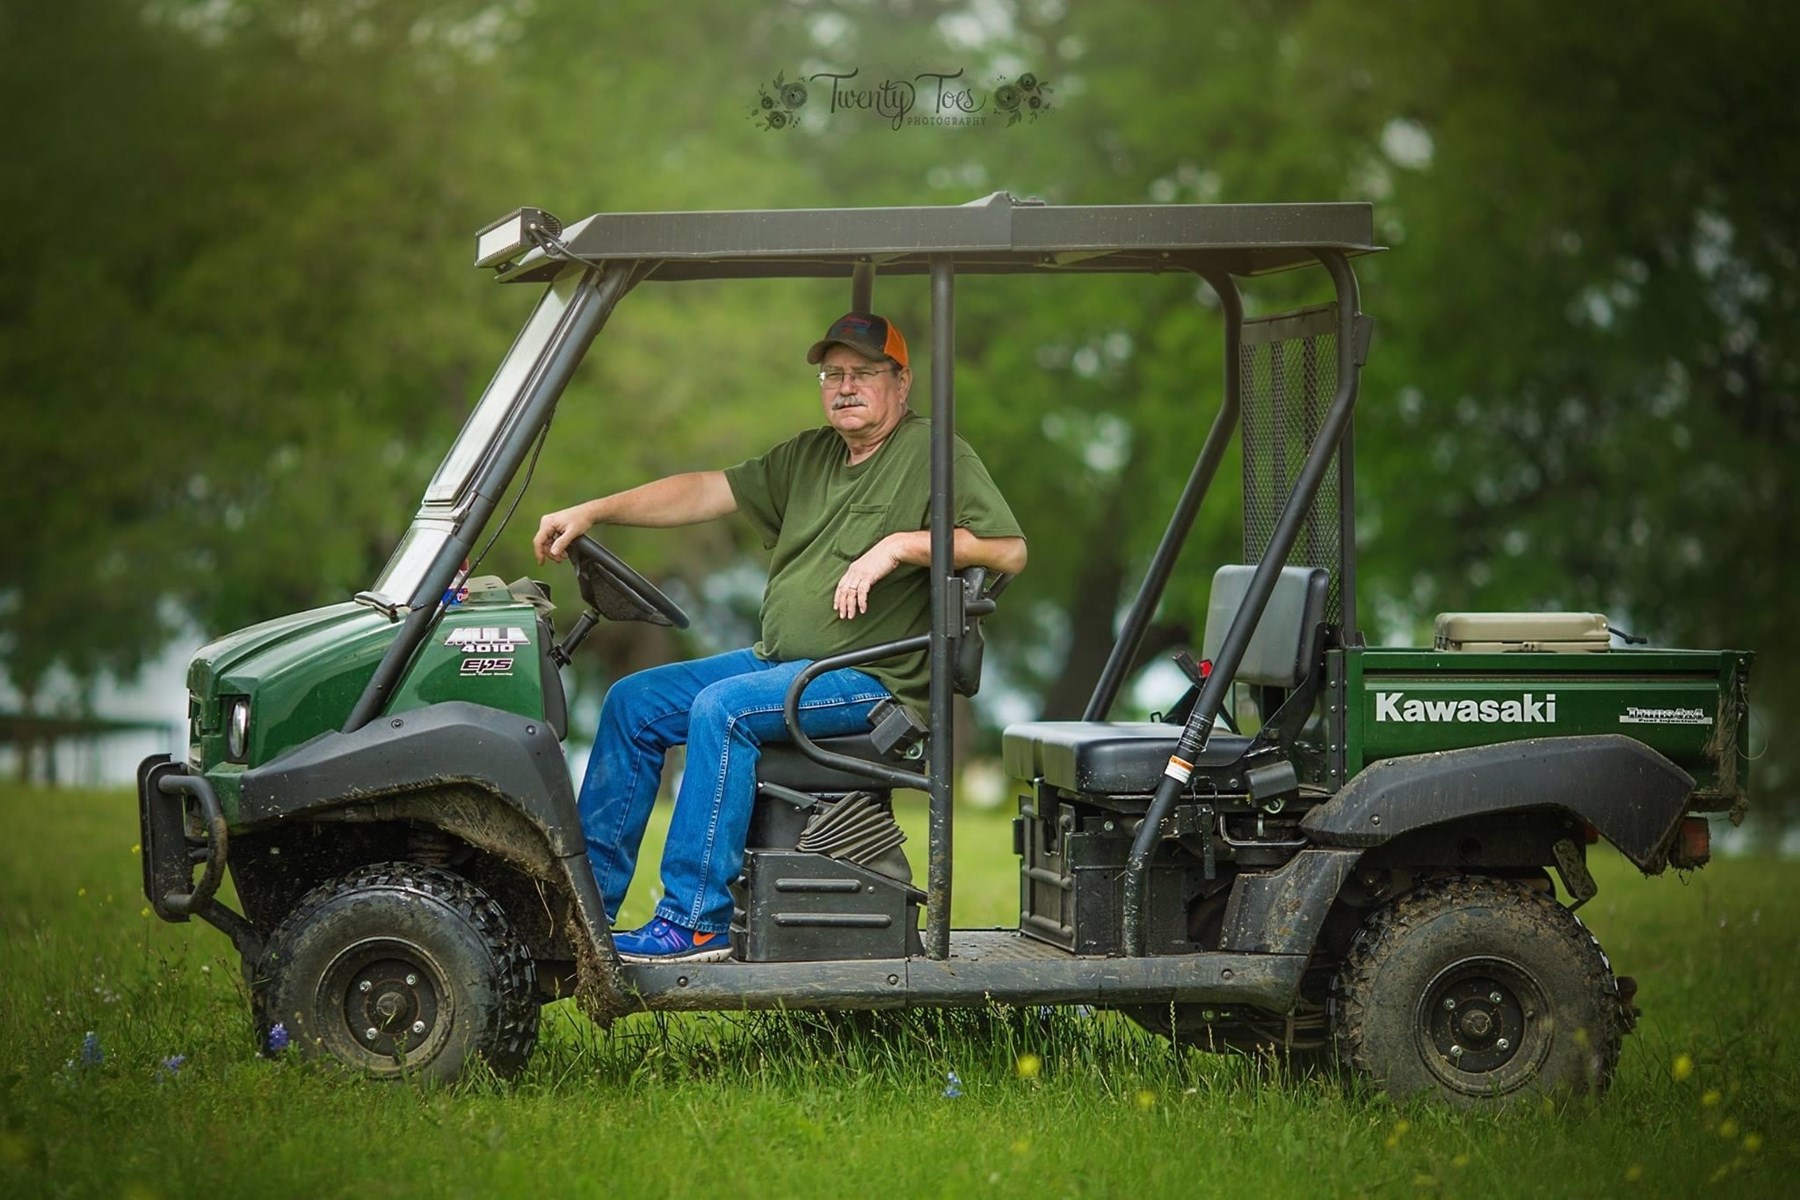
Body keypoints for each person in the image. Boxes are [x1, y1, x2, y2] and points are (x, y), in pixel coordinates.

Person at [533, 312, 1027, 963]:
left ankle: (695, 922)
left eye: (863, 374)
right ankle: (581, 915)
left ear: (901, 383)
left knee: (724, 708)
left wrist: (901, 546)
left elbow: (1009, 552)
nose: (845, 387)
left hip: (871, 681)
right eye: (833, 374)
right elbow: (704, 490)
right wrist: (594, 509)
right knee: (633, 702)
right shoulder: (810, 455)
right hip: (785, 664)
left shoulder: (935, 455)